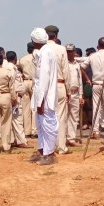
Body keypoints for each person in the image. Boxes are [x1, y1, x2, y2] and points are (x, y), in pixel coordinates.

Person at [29, 27, 58, 166]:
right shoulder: (43, 52)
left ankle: (49, 154)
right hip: (41, 95)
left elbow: (44, 79)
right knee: (40, 125)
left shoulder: (46, 53)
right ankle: (41, 151)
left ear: (34, 41)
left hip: (45, 96)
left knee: (48, 125)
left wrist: (40, 101)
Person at [43, 25, 71, 155]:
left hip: (46, 87)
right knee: (61, 117)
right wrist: (69, 90)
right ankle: (61, 146)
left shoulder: (42, 49)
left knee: (47, 117)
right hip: (59, 85)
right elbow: (66, 70)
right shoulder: (60, 49)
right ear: (56, 36)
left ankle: (49, 146)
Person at [6, 51, 31, 148]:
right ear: (15, 59)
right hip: (15, 97)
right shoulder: (11, 68)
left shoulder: (10, 68)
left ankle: (13, 140)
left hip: (16, 96)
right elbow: (11, 84)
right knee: (18, 119)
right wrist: (14, 97)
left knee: (13, 120)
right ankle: (21, 141)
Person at [16, 42, 37, 138]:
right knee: (35, 107)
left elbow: (18, 68)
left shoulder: (22, 59)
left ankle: (27, 131)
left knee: (26, 108)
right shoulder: (36, 57)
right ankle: (34, 130)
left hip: (25, 82)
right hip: (34, 82)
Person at [64, 44, 84, 147]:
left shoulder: (77, 64)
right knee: (64, 116)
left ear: (74, 52)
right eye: (67, 51)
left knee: (74, 116)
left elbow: (80, 80)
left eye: (71, 51)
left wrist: (81, 95)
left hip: (76, 92)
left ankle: (71, 138)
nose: (69, 53)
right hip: (66, 93)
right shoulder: (64, 64)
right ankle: (63, 138)